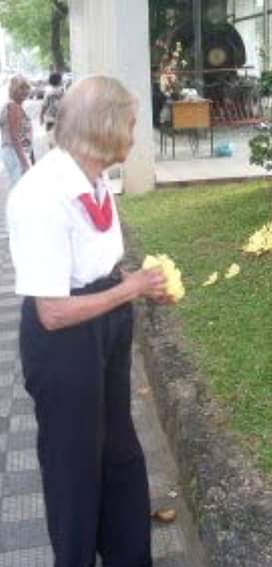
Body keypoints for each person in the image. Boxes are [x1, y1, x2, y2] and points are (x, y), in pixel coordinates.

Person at [7, 76, 170, 566]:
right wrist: (133, 288)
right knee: (74, 466)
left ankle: (127, 556)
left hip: (106, 322)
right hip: (65, 346)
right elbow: (53, 312)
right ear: (106, 128)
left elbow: (100, 264)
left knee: (118, 450)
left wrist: (131, 282)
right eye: (131, 125)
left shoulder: (94, 178)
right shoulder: (42, 194)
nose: (135, 136)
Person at [0, 75, 33, 187]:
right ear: (13, 89)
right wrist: (24, 162)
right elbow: (14, 137)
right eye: (21, 88)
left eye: (26, 87)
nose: (25, 91)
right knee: (21, 188)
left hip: (12, 152)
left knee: (18, 186)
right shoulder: (14, 107)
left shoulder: (9, 105)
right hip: (15, 153)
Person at [39, 71, 65, 148]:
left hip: (50, 120)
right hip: (60, 120)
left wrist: (41, 117)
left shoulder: (48, 92)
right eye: (61, 79)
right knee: (60, 142)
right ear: (59, 81)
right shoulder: (62, 92)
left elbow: (44, 106)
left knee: (51, 142)